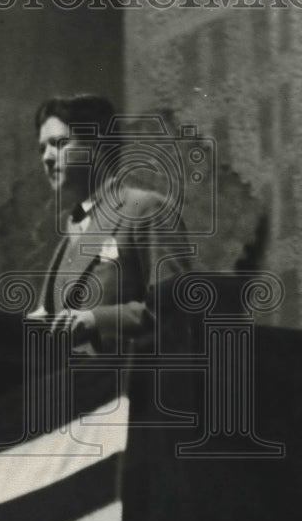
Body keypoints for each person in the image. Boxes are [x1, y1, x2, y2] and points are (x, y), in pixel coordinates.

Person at [34, 94, 192, 354]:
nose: (47, 158)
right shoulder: (66, 241)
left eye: (59, 144)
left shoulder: (144, 208)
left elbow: (173, 310)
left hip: (129, 386)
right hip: (72, 387)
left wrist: (97, 319)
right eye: (42, 148)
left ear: (96, 145)